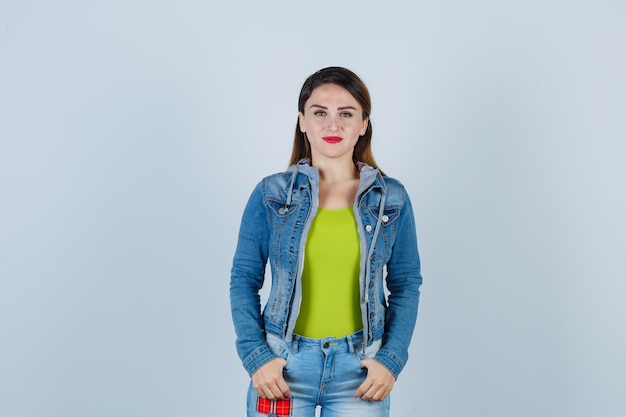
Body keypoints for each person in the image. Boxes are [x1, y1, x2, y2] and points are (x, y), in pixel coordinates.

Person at [230, 66, 422, 417]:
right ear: (302, 121)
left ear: (363, 124)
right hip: (283, 366)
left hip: (361, 371)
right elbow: (243, 279)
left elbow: (407, 284)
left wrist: (391, 361)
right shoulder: (271, 194)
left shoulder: (391, 198)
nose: (332, 125)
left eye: (346, 114)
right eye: (320, 113)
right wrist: (257, 358)